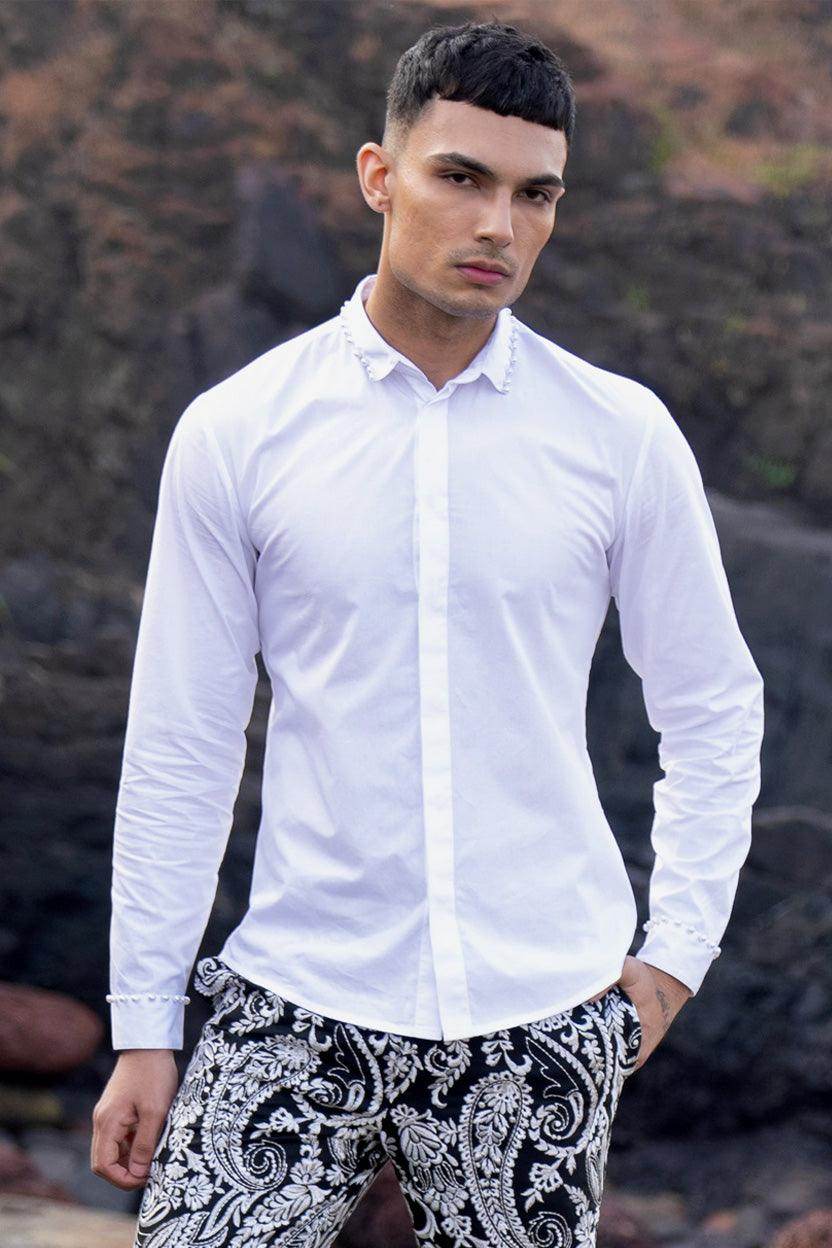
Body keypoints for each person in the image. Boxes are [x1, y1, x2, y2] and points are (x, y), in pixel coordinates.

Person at [91, 18, 765, 1248]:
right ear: (379, 176)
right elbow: (183, 740)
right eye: (461, 177)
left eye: (533, 194)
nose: (497, 224)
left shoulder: (617, 436)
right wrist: (145, 1025)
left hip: (540, 1011)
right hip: (296, 996)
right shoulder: (240, 432)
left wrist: (673, 959)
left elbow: (712, 704)